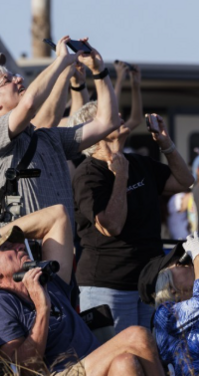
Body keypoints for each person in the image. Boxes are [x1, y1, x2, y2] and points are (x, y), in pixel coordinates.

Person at [0, 205, 165, 375]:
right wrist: (42, 308)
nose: (18, 245)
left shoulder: (46, 278)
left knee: (126, 363)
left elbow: (58, 215)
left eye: (14, 241)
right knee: (137, 335)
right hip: (61, 372)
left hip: (94, 362)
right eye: (6, 246)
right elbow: (25, 370)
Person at [0, 37, 120, 226]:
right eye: (7, 80)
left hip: (61, 253)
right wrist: (61, 61)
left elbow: (107, 122)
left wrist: (99, 71)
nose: (19, 78)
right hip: (22, 253)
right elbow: (29, 104)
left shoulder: (47, 137)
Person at [70, 104, 194, 332]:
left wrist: (166, 144)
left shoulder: (138, 162)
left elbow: (185, 181)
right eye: (111, 114)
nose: (120, 116)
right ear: (94, 129)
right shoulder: (87, 175)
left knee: (151, 361)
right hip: (108, 287)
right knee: (119, 363)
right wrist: (121, 176)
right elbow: (112, 226)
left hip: (149, 283)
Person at [138, 234, 199, 375]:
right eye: (181, 263)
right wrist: (197, 255)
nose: (190, 264)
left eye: (190, 260)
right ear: (167, 284)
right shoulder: (164, 315)